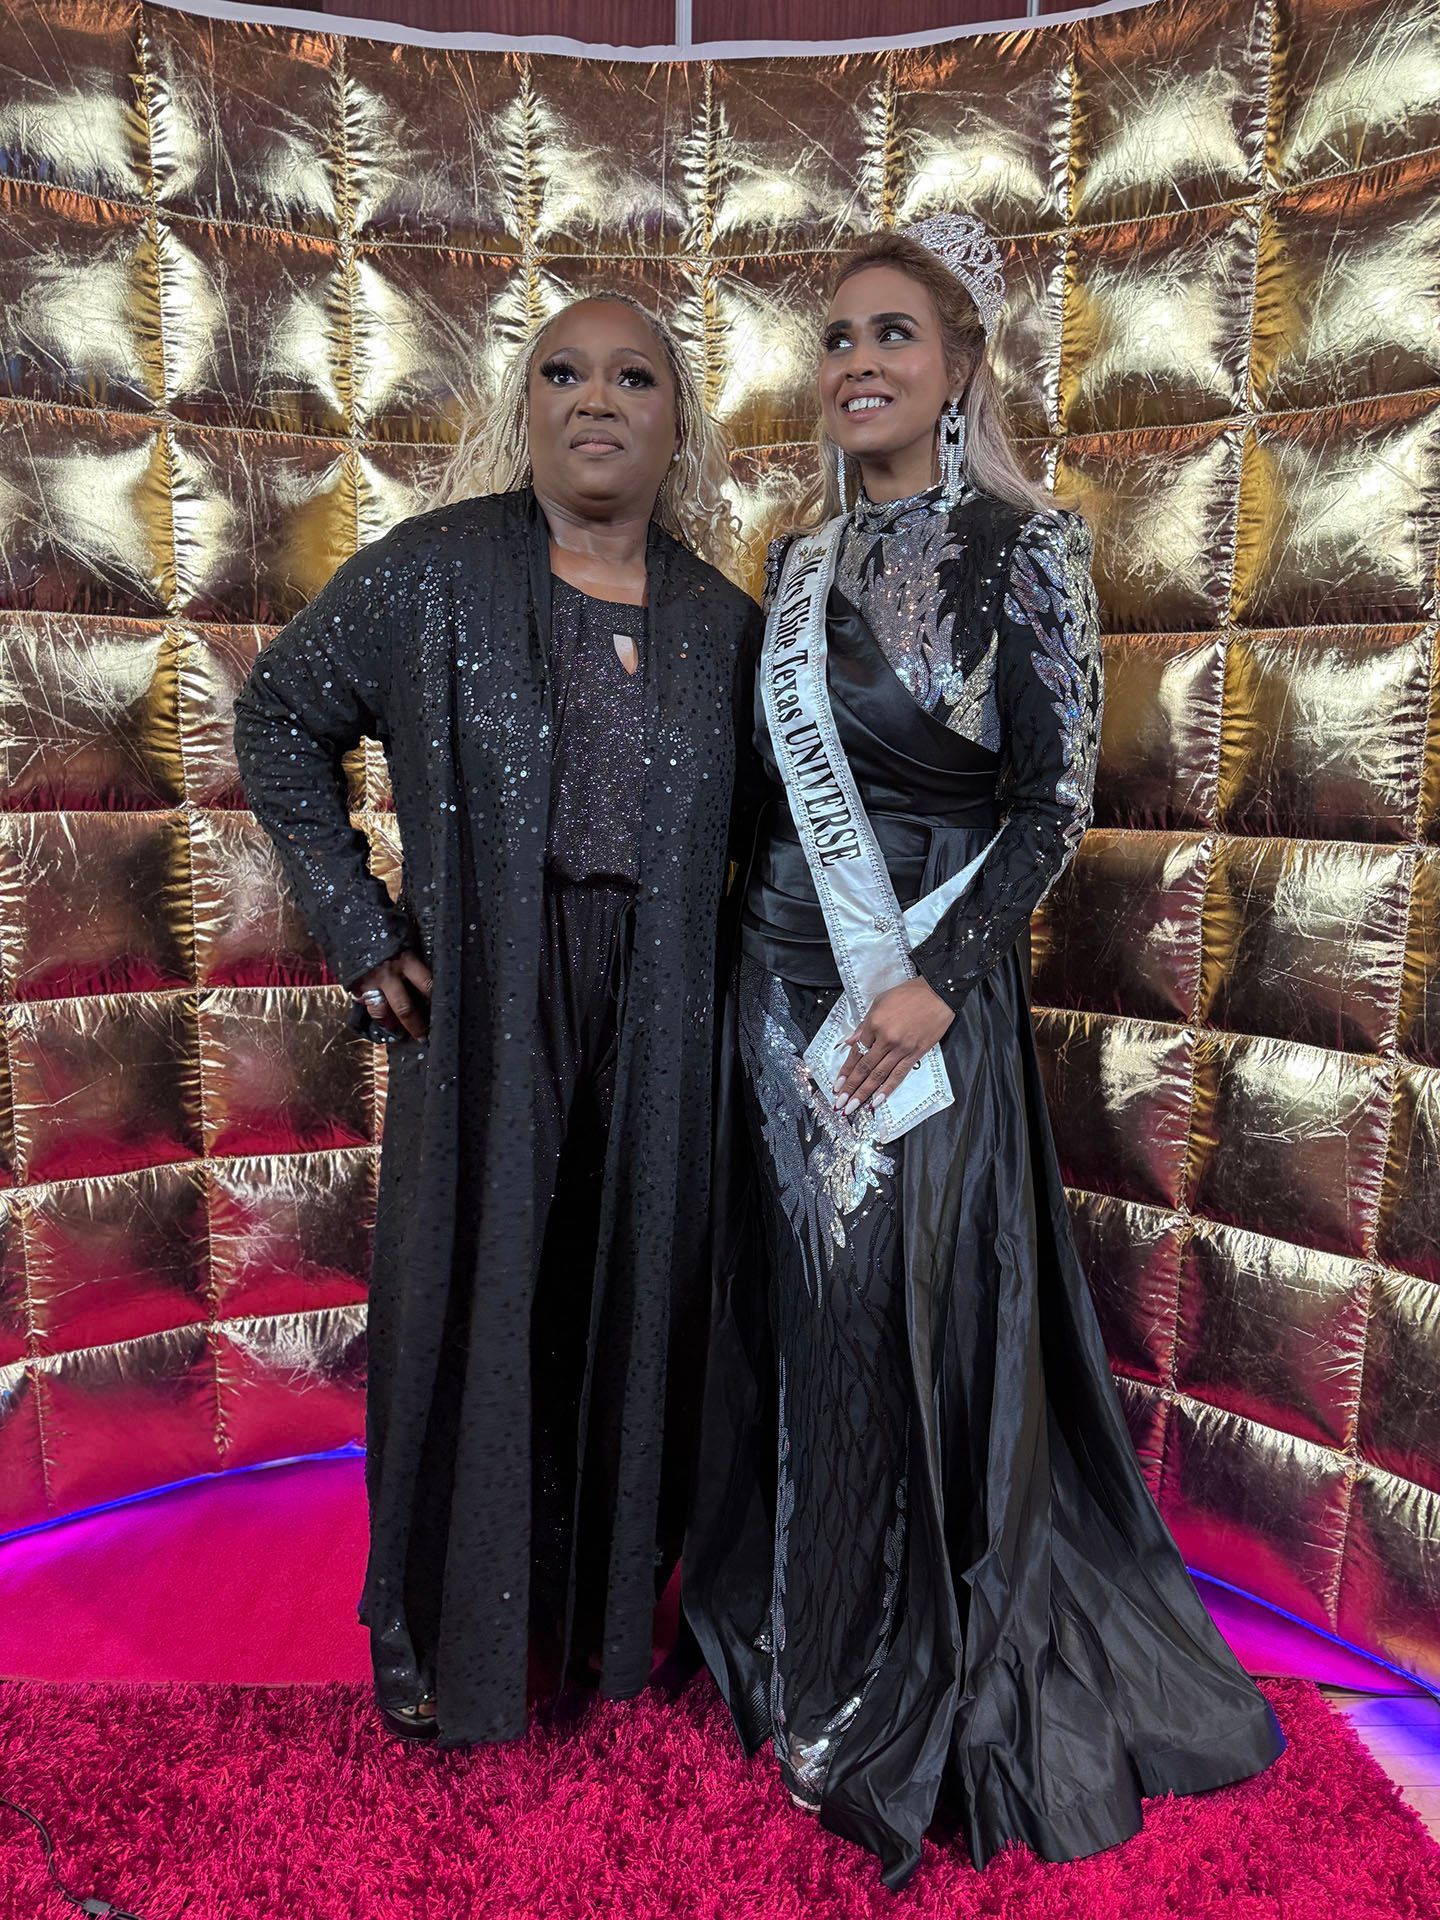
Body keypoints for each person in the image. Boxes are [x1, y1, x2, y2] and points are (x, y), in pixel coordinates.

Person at [682, 218, 1286, 1889]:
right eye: (835, 339)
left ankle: (904, 1661)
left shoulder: (1031, 550)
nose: (857, 363)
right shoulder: (791, 563)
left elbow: (1050, 805)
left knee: (904, 1309)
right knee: (806, 1308)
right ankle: (806, 1645)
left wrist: (942, 976)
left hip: (924, 988)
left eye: (892, 335)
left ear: (957, 365)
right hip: (780, 986)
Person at [233, 293, 761, 1746]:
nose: (597, 398)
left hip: (662, 1010)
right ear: (524, 409)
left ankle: (601, 1629)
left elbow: (778, 852)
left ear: (676, 424)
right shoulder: (434, 573)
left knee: (630, 1295)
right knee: (473, 1294)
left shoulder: (727, 625)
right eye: (563, 373)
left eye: (634, 375)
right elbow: (278, 713)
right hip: (492, 997)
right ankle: (433, 1636)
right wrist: (358, 930)